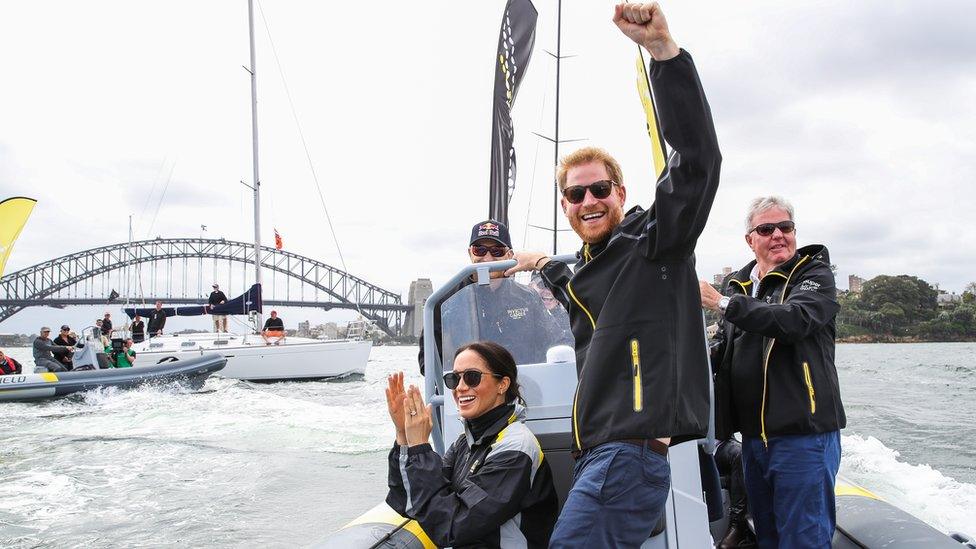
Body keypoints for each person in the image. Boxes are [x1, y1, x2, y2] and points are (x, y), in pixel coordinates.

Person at [505, 4, 721, 545]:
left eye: (600, 189)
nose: (589, 200)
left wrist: (664, 54)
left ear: (621, 195)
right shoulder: (584, 270)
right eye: (576, 194)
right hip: (600, 455)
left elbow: (697, 161)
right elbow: (570, 274)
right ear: (566, 206)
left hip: (628, 453)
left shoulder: (656, 245)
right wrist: (534, 261)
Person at [700, 196, 845, 548]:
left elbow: (795, 320)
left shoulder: (813, 275)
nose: (778, 234)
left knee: (804, 539)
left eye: (786, 227)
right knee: (768, 535)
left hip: (803, 436)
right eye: (767, 229)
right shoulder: (742, 286)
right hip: (753, 440)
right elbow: (724, 353)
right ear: (750, 239)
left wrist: (721, 302)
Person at [385, 341, 558, 548]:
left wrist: (420, 447)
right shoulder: (466, 442)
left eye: (472, 377)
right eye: (454, 378)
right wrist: (403, 435)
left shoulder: (515, 448)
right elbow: (409, 502)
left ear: (502, 384)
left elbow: (453, 527)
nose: (460, 387)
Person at [419, 220, 552, 374]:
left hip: (522, 387)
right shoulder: (444, 301)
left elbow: (552, 343)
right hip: (469, 389)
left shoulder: (528, 298)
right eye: (479, 250)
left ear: (509, 255)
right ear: (470, 253)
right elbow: (428, 362)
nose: (487, 258)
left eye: (497, 251)